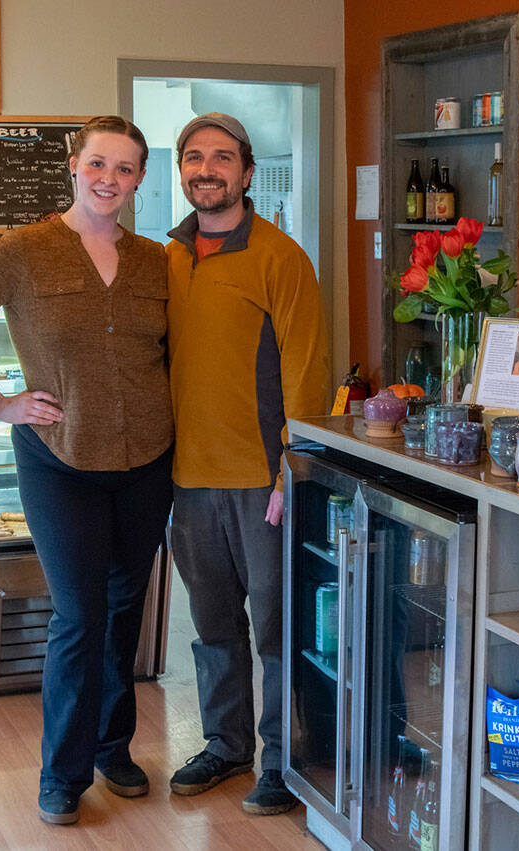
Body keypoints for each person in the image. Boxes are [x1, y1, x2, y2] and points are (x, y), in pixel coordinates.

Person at [0, 116, 172, 826]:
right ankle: (62, 772)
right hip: (60, 460)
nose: (108, 179)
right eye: (98, 163)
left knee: (126, 610)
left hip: (149, 459)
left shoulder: (156, 261)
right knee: (79, 615)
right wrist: (2, 402)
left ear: (140, 180)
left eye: (124, 169)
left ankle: (111, 747)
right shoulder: (25, 250)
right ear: (73, 165)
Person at [164, 112, 330, 815]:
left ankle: (280, 760)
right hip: (187, 481)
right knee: (214, 624)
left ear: (247, 172)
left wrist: (294, 467)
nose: (208, 169)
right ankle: (224, 744)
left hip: (262, 480)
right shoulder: (163, 258)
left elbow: (308, 368)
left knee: (273, 626)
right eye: (195, 158)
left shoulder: (280, 256)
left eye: (222, 158)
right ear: (182, 172)